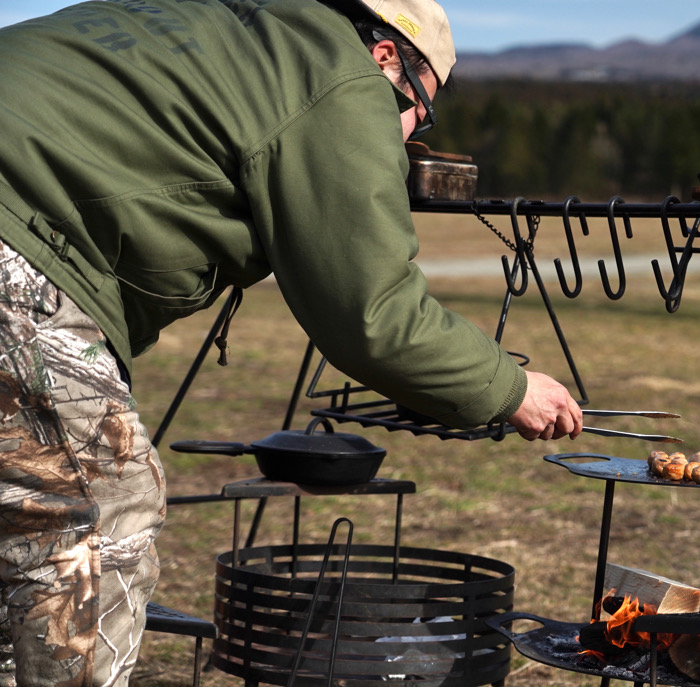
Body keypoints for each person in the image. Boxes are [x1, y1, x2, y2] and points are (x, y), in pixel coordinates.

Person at [0, 0, 583, 684]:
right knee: (101, 515)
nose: (405, 137)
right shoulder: (338, 73)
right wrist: (510, 388)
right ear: (388, 56)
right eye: (418, 113)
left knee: (25, 520)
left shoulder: (234, 30)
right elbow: (373, 313)